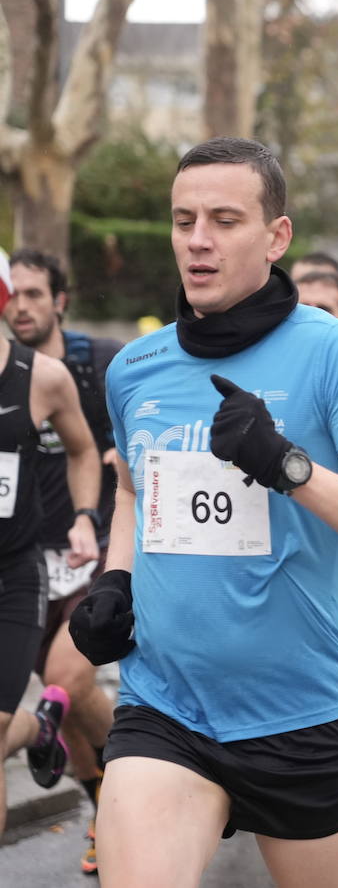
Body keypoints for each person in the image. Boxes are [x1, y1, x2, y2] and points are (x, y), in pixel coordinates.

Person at [71, 137, 338, 888]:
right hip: (163, 705)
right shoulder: (136, 369)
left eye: (225, 219)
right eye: (183, 219)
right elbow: (137, 490)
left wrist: (288, 467)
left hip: (302, 718)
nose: (198, 239)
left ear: (277, 237)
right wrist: (114, 579)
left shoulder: (337, 356)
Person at [3, 248, 121, 873]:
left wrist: (116, 464)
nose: (22, 305)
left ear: (59, 301)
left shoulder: (94, 365)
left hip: (90, 548)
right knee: (77, 711)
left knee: (66, 677)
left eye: (34, 294)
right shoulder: (5, 372)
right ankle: (107, 807)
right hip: (25, 556)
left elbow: (135, 431)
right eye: (13, 293)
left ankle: (31, 727)